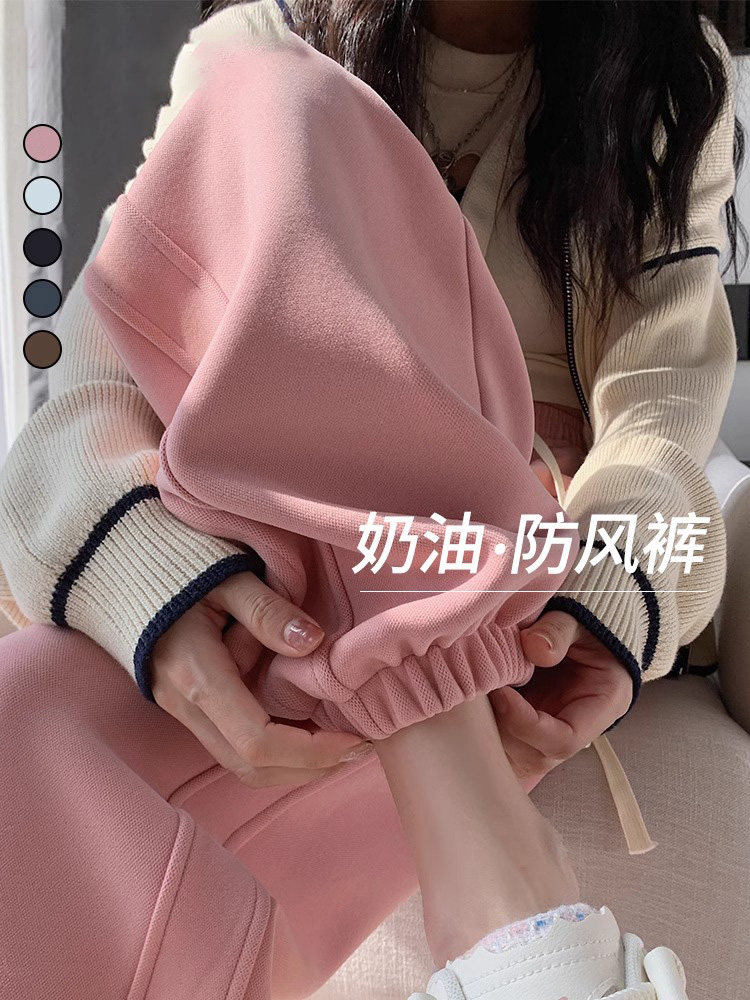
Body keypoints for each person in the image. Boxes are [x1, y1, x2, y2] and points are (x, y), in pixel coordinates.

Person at [0, 1, 739, 998]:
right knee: (21, 718)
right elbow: (97, 393)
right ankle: (522, 922)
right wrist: (156, 591)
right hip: (267, 574)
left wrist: (606, 592)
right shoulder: (265, 44)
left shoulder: (659, 70)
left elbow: (660, 415)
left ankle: (502, 896)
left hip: (519, 583)